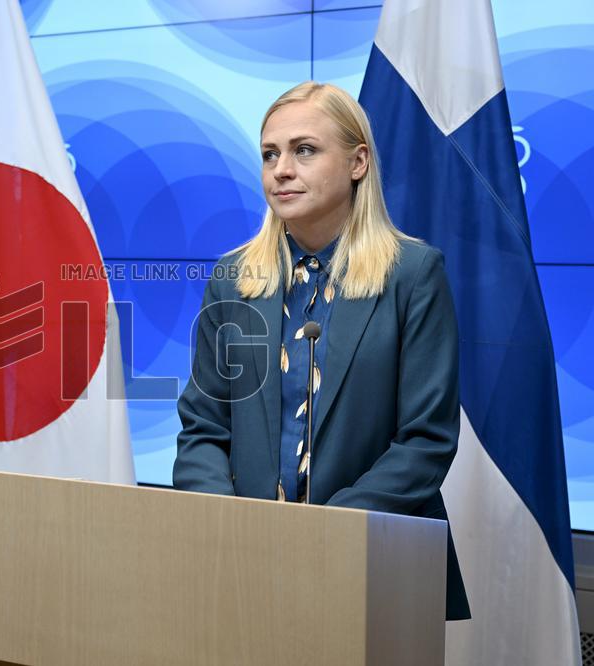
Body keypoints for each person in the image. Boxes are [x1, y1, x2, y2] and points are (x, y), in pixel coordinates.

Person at [173, 82, 470, 621]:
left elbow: (425, 441)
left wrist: (323, 536)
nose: (281, 169)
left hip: (372, 566)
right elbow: (203, 428)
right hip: (243, 567)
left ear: (358, 162)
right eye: (270, 154)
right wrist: (226, 524)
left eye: (304, 150)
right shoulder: (233, 278)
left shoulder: (413, 275)